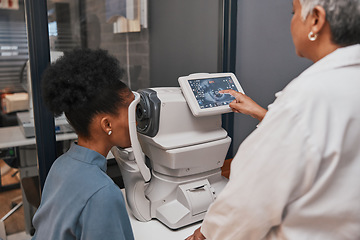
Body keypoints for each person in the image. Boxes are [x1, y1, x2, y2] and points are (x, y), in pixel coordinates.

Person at [187, 0, 360, 239]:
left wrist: (204, 234)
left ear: (316, 20)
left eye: (294, 12)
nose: (291, 21)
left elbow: (248, 203)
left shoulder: (305, 98)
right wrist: (263, 114)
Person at [32, 48, 134, 240]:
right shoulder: (103, 194)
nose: (137, 119)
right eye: (131, 109)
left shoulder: (60, 165)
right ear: (107, 124)